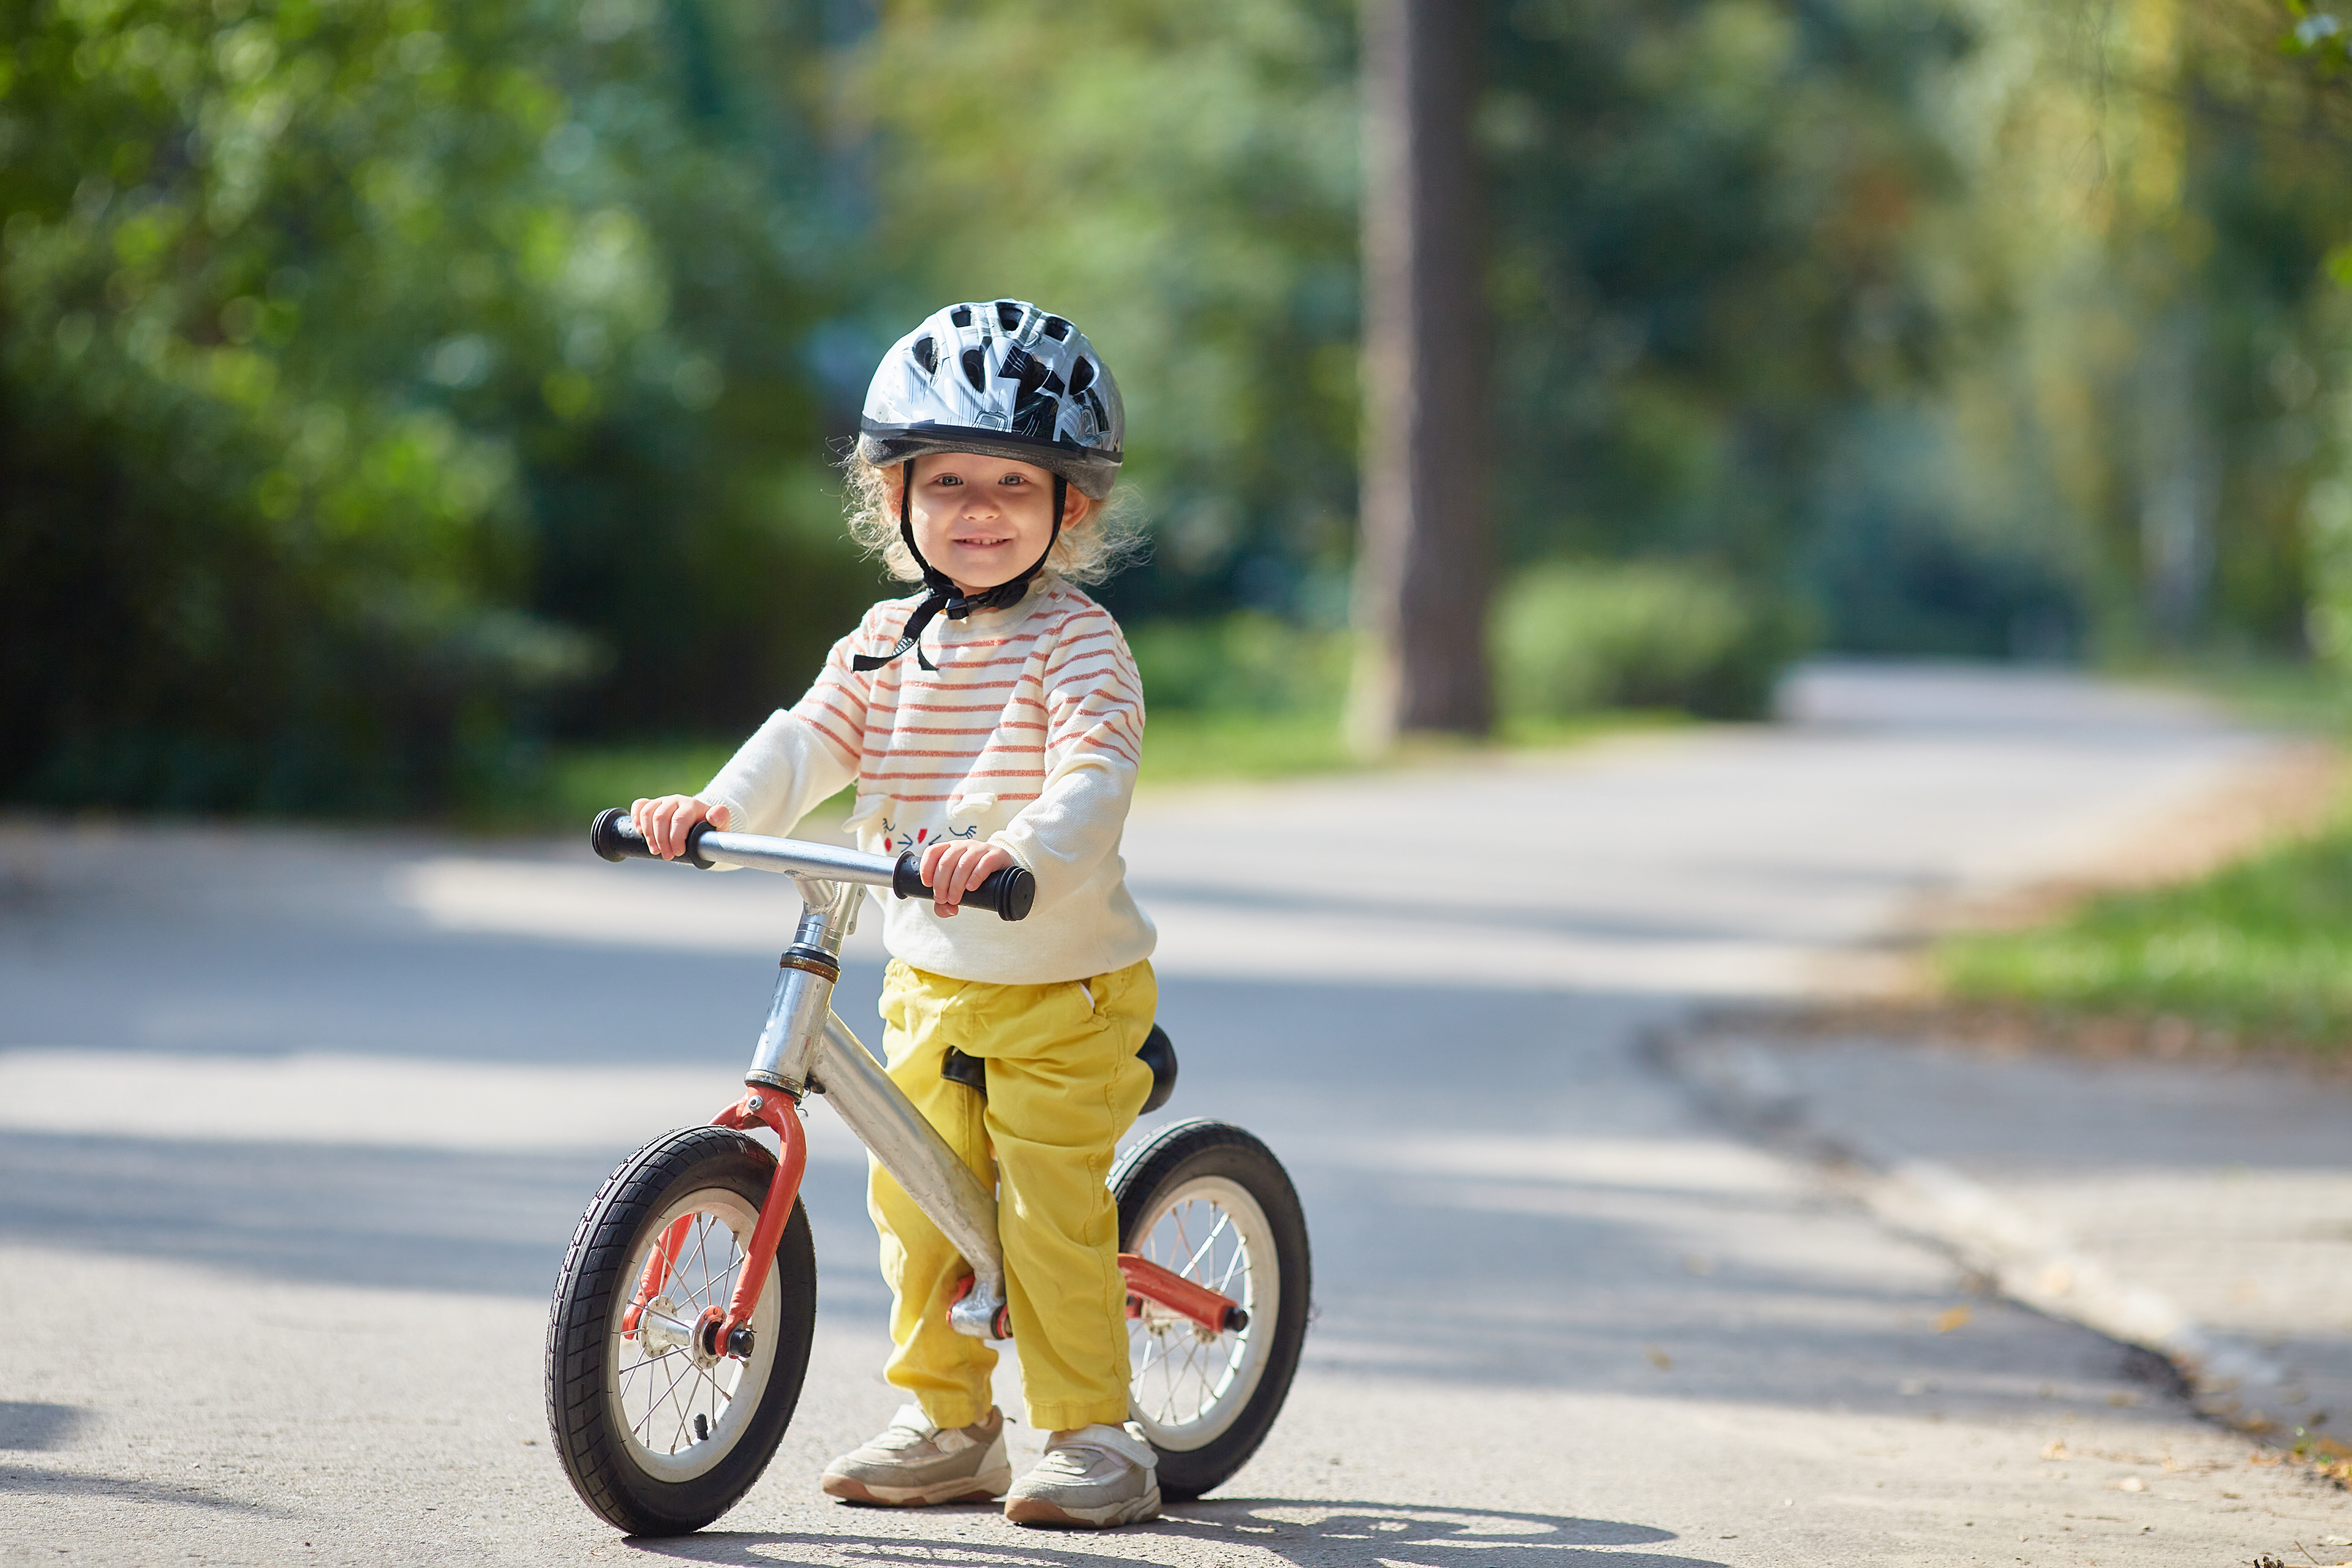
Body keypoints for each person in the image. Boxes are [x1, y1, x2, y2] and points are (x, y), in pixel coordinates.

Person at [629, 299, 1161, 1529]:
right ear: (896, 497)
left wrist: (1014, 848)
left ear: (1069, 507)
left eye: (1014, 486)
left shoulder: (1076, 643)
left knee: (1043, 1212)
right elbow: (809, 737)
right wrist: (708, 806)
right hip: (927, 974)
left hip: (1061, 987)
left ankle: (1093, 1430)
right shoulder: (884, 642)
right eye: (950, 481)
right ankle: (950, 1420)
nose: (979, 509)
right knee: (917, 1203)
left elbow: (1094, 772)